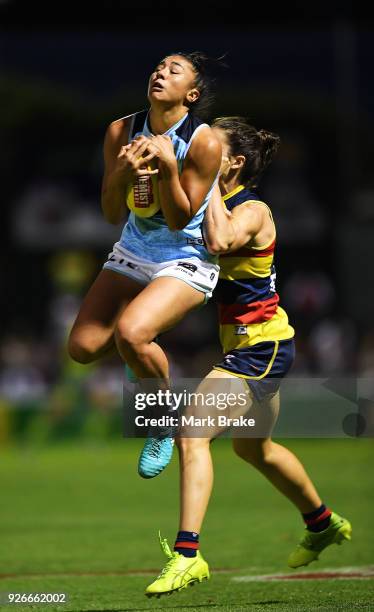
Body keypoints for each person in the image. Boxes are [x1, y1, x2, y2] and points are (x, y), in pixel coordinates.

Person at [145, 117, 352, 597]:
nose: (200, 146)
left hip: (260, 347)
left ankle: (187, 555)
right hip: (257, 345)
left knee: (192, 434)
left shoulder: (253, 209)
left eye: (211, 144)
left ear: (234, 161)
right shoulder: (213, 203)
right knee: (252, 448)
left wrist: (209, 182)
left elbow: (219, 242)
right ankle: (322, 523)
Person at [68, 52, 222, 477]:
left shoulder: (203, 140)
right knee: (81, 348)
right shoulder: (121, 129)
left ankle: (161, 422)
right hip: (134, 250)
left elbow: (178, 218)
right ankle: (144, 366)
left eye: (174, 71)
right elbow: (110, 212)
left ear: (190, 94)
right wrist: (122, 173)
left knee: (132, 333)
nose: (160, 72)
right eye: (157, 66)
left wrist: (168, 168)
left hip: (186, 256)